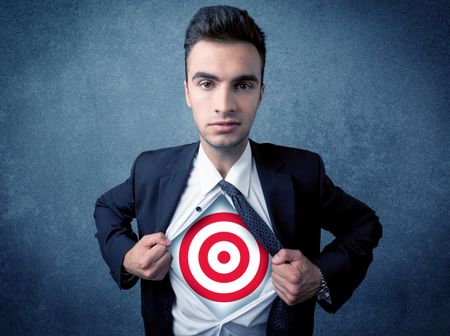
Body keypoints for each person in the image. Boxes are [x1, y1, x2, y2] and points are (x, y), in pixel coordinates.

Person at [94, 5, 382, 336]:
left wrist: (320, 277)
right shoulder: (150, 169)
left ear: (261, 93)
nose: (225, 104)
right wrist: (126, 256)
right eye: (207, 83)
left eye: (242, 85)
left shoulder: (303, 173)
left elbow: (363, 224)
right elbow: (107, 209)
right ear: (187, 91)